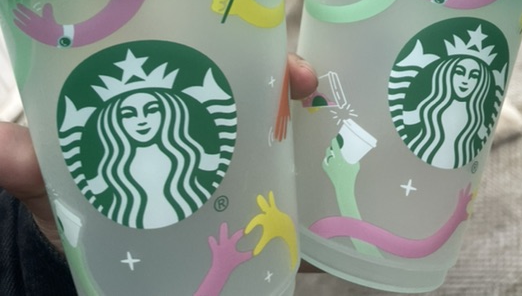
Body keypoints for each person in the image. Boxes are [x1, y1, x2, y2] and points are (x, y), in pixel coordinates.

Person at [0, 53, 317, 295]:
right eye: (128, 113)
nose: (141, 120)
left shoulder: (193, 158)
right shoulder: (110, 174)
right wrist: (58, 238)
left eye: (151, 110)